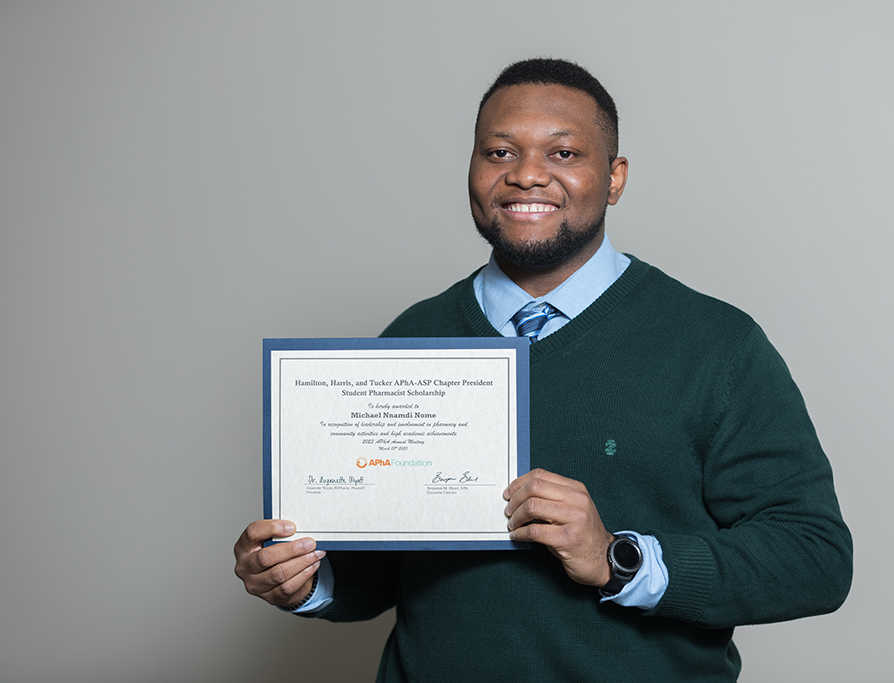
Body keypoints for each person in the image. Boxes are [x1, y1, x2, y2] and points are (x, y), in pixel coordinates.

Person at [234, 58, 853, 681]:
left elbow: (815, 557)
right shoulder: (414, 336)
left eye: (562, 154)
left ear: (614, 179)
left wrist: (617, 558)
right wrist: (306, 579)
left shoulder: (716, 344)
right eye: (500, 152)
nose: (526, 175)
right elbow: (387, 568)